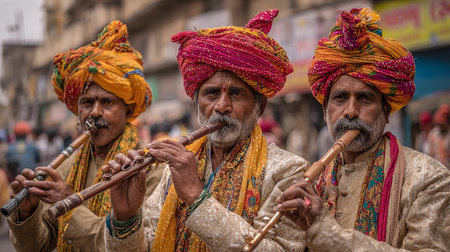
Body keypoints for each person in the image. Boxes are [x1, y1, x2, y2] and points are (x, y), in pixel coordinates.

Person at [103, 9, 310, 251]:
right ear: (196, 103)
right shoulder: (173, 172)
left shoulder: (288, 171)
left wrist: (196, 196)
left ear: (259, 106)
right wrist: (125, 220)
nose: (221, 106)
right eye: (211, 93)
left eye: (236, 93)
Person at [276, 8, 450, 251]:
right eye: (340, 98)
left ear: (386, 111)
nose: (350, 111)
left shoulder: (429, 179)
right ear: (325, 109)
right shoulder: (313, 183)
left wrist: (326, 232)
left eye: (365, 98)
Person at [6, 21, 163, 252]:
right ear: (77, 110)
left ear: (128, 109)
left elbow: (132, 244)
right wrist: (27, 212)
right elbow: (37, 246)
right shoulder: (66, 168)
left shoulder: (149, 167)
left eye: (107, 102)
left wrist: (69, 204)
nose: (95, 112)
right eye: (87, 103)